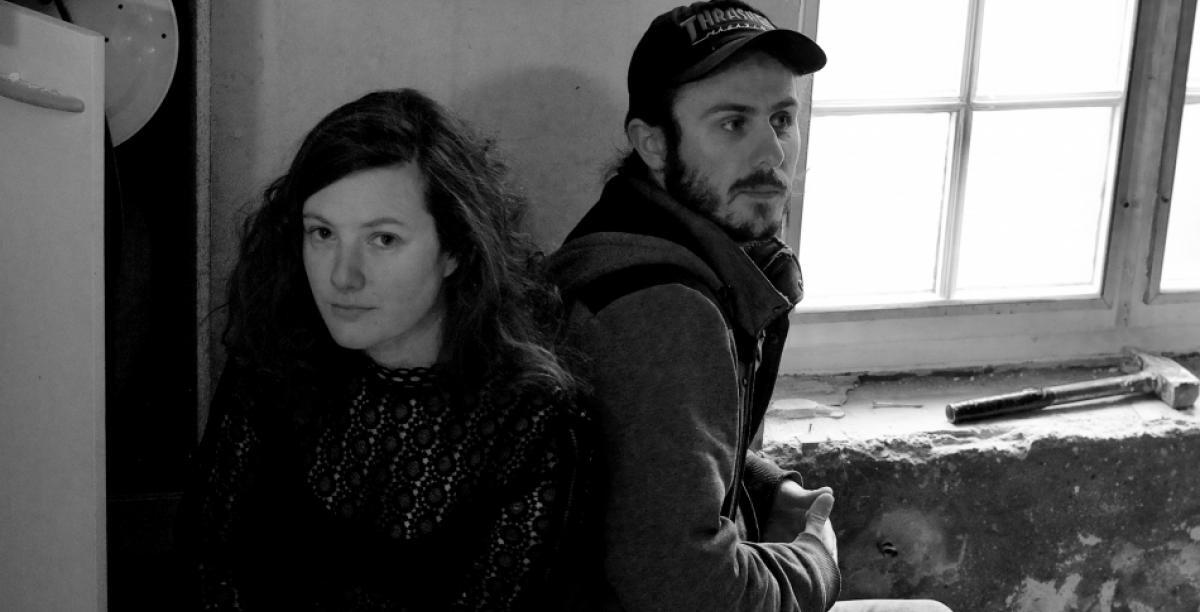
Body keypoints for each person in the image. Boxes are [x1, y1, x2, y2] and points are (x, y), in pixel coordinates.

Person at [547, 2, 951, 611]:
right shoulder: (662, 311)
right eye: (733, 123)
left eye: (782, 119)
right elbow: (690, 590)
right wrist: (817, 560)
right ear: (653, 143)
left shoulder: (629, 237)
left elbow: (644, 458)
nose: (772, 152)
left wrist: (763, 486)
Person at [179, 89, 593, 611]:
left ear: (456, 249)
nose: (343, 276)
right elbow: (208, 562)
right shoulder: (274, 365)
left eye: (383, 239)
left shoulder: (532, 420)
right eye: (322, 233)